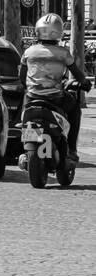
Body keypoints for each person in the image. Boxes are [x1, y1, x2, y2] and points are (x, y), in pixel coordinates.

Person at [18, 12, 88, 166]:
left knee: (23, 118)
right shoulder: (63, 53)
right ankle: (71, 150)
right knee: (76, 110)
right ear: (59, 32)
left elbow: (22, 77)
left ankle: (23, 148)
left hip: (32, 98)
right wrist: (85, 84)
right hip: (56, 98)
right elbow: (77, 74)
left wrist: (31, 87)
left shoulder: (29, 52)